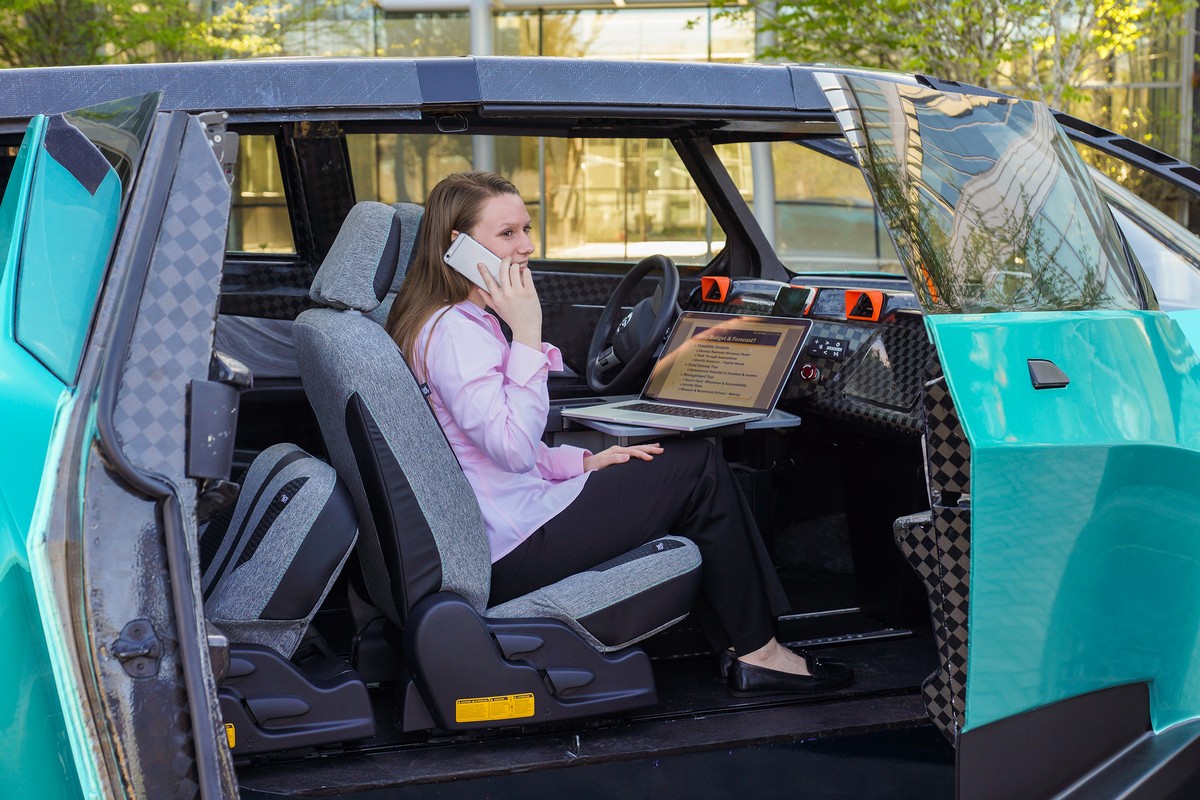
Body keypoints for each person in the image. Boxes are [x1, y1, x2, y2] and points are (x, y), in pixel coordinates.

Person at [385, 171, 852, 695]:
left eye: (527, 229)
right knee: (697, 465)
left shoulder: (456, 323)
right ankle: (759, 652)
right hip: (513, 546)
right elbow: (511, 448)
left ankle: (743, 645)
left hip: (510, 521)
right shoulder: (455, 333)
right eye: (507, 233)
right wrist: (529, 334)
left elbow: (482, 452)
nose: (527, 246)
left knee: (675, 466)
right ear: (459, 245)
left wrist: (582, 463)